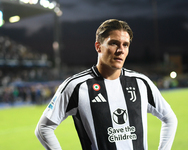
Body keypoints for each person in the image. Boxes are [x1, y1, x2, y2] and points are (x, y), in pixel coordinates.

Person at [35, 19, 177, 150]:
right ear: (98, 47)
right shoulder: (76, 86)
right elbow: (43, 128)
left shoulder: (141, 83)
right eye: (114, 43)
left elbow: (170, 118)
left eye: (125, 45)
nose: (120, 50)